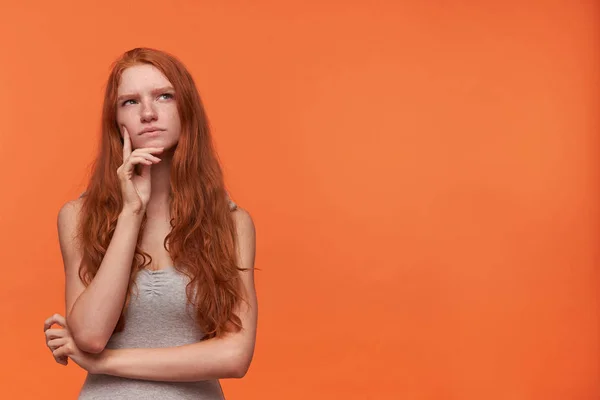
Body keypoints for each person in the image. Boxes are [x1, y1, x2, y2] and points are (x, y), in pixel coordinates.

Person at [42, 47, 258, 399]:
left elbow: (235, 355)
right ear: (116, 120)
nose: (148, 113)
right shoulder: (78, 217)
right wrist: (131, 211)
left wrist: (105, 362)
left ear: (186, 109)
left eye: (164, 96)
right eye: (130, 101)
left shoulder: (231, 223)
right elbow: (90, 335)